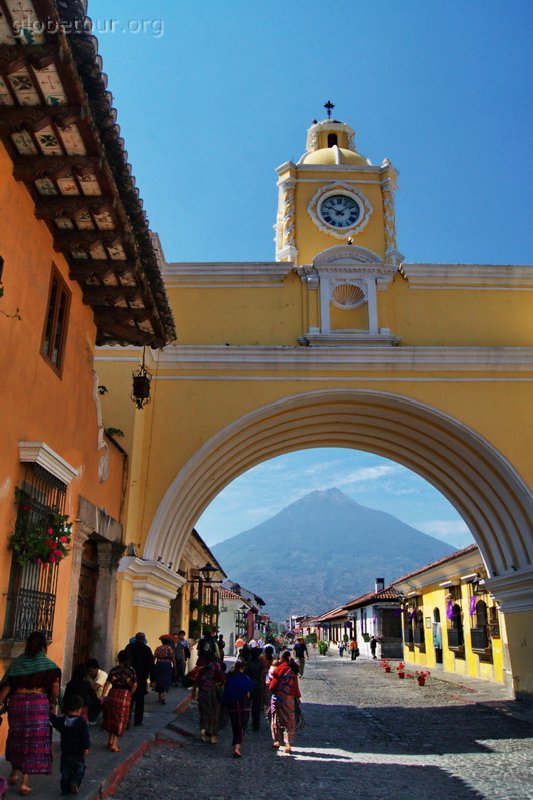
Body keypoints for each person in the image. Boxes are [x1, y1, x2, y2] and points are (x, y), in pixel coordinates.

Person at [0, 630, 61, 795]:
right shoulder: (48, 666)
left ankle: (14, 773)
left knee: (17, 737)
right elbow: (55, 688)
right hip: (38, 706)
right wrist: (54, 702)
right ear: (43, 646)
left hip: (17, 706)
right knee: (33, 742)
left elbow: (6, 687)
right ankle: (25, 783)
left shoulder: (18, 663)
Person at [50, 693, 90, 796]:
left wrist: (51, 712)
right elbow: (85, 736)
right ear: (79, 709)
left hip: (66, 751)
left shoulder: (63, 720)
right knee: (79, 769)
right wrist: (86, 747)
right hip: (78, 752)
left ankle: (65, 789)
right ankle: (75, 782)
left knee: (65, 771)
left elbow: (54, 721)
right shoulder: (81, 722)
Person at [101, 650, 137, 752]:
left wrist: (103, 696)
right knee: (120, 719)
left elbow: (107, 683)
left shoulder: (113, 670)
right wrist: (130, 693)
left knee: (111, 716)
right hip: (124, 695)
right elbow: (134, 685)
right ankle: (114, 744)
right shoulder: (131, 671)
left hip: (113, 693)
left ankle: (109, 740)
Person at [269, 650, 301, 754]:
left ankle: (277, 741)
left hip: (278, 698)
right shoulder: (293, 669)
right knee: (289, 722)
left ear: (282, 658)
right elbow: (295, 685)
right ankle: (288, 743)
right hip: (290, 698)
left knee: (276, 719)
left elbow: (272, 686)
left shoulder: (280, 669)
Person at [223, 661, 255, 757]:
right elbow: (248, 693)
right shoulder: (245, 679)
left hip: (231, 706)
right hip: (243, 706)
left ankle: (235, 742)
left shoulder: (229, 677)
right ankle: (237, 747)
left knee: (235, 725)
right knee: (242, 727)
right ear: (243, 668)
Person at [195, 651, 225, 744]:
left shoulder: (203, 669)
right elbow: (222, 679)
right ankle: (213, 736)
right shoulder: (216, 667)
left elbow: (197, 681)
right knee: (215, 714)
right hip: (214, 693)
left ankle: (203, 731)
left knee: (203, 713)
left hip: (203, 692)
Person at [125, 632, 155, 726]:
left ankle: (126, 720)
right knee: (140, 701)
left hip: (129, 677)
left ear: (136, 638)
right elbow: (151, 665)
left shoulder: (129, 647)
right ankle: (138, 721)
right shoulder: (146, 649)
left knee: (129, 699)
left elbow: (124, 660)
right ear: (143, 639)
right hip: (141, 678)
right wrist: (153, 679)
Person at [244, 647, 264, 731]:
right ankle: (256, 725)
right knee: (256, 707)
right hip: (258, 686)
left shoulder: (248, 664)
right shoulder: (261, 663)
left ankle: (244, 724)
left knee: (246, 706)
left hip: (249, 686)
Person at [153, 636, 176, 704]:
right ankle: (164, 696)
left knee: (159, 679)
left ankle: (160, 696)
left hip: (159, 664)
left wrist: (153, 665)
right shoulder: (170, 649)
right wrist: (175, 668)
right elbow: (173, 659)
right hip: (167, 665)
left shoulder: (158, 648)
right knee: (166, 679)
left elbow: (154, 657)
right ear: (168, 642)